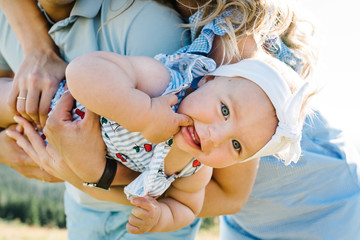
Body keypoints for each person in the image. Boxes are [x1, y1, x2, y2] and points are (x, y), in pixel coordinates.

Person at [1, 0, 312, 233]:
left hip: (104, 197)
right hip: (66, 118)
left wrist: (98, 177)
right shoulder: (169, 85)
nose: (216, 135)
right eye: (224, 113)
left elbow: (201, 201)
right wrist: (144, 115)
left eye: (235, 146)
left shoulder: (230, 58)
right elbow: (83, 73)